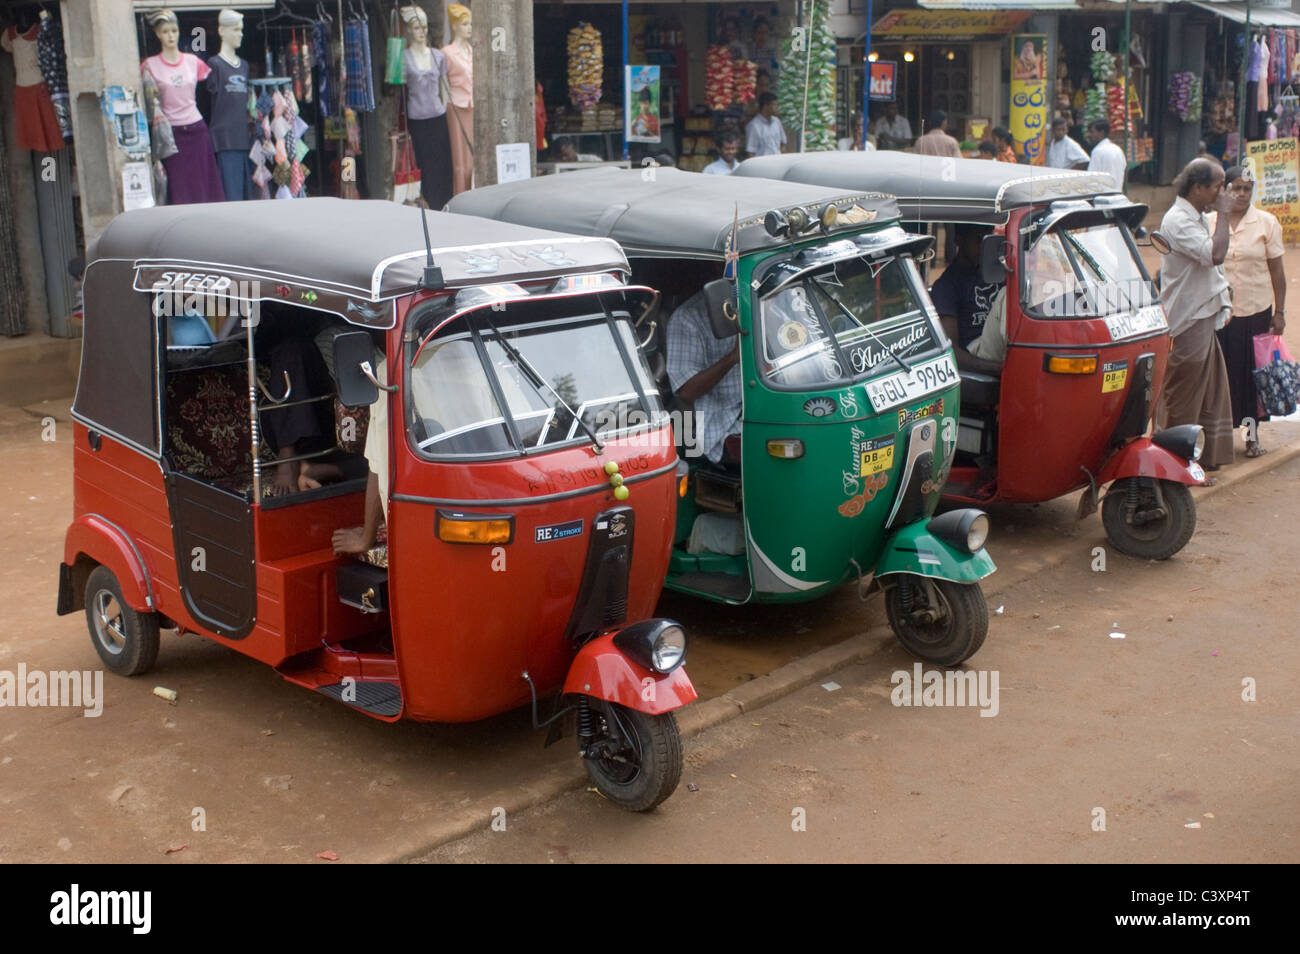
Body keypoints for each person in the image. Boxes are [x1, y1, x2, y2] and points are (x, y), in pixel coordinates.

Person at [1156, 158, 1236, 479]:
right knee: (1184, 397)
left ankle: (1200, 459)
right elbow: (1215, 255)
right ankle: (1175, 466)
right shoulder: (1179, 221)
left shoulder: (1195, 216)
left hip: (1200, 314)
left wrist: (1224, 301)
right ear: (1198, 187)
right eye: (1217, 185)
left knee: (1211, 392)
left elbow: (1212, 269)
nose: (1222, 192)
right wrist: (1226, 213)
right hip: (1187, 319)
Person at [1209, 166, 1287, 457]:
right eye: (1236, 188)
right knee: (1221, 376)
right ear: (1225, 189)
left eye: (1247, 188)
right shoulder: (1210, 221)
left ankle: (1252, 437)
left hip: (1256, 311)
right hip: (1219, 314)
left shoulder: (1266, 223)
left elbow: (1277, 272)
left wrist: (1280, 313)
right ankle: (1216, 439)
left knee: (1254, 378)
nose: (1242, 194)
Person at [666, 284, 742, 465]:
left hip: (762, 403)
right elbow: (686, 391)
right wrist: (733, 357)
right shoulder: (688, 317)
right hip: (721, 421)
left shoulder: (760, 296)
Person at [930, 224, 1004, 375]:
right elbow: (950, 350)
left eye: (988, 239)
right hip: (977, 352)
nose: (984, 245)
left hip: (1003, 346)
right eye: (978, 239)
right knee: (1007, 294)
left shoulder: (997, 272)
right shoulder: (948, 284)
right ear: (959, 240)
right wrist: (999, 368)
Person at [1086, 119, 1126, 190]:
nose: (1088, 135)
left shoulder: (1098, 151)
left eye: (1091, 132)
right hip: (1117, 194)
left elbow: (1091, 178)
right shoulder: (1118, 149)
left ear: (1101, 133)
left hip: (1102, 196)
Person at [745, 92, 786, 157]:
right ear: (766, 106)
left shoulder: (776, 121)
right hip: (762, 165)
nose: (777, 108)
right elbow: (751, 152)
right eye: (775, 105)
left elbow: (783, 143)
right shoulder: (753, 126)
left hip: (778, 163)